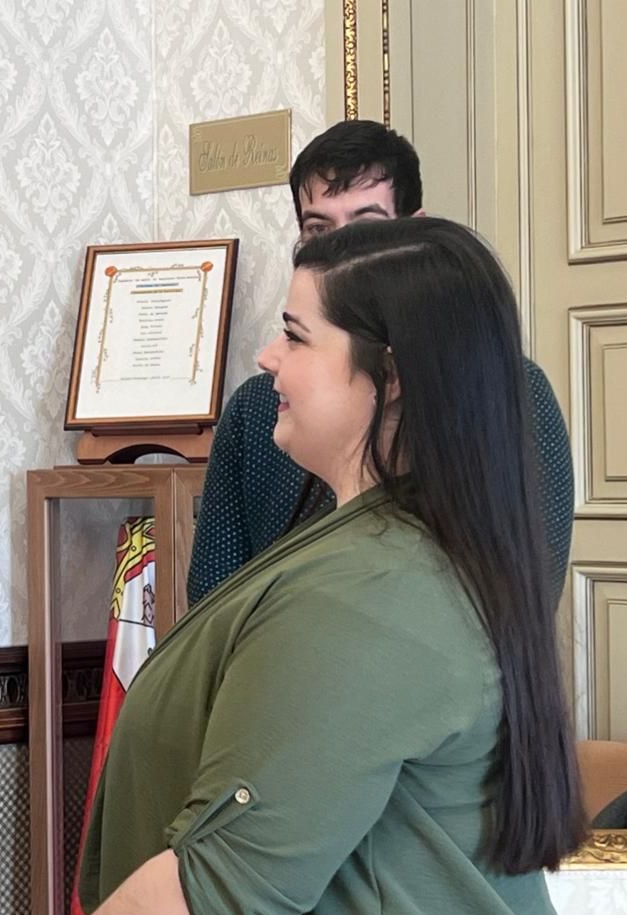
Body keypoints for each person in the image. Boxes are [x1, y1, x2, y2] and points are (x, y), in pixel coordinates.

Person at [22, 218, 597, 915]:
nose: (266, 359)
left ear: (388, 376)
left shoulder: (371, 593)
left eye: (295, 335)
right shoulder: (389, 555)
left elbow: (218, 893)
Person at [187, 120, 573, 605]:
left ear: (415, 230)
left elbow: (525, 588)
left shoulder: (506, 388)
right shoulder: (256, 408)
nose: (339, 253)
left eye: (366, 228)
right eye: (317, 230)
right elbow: (212, 602)